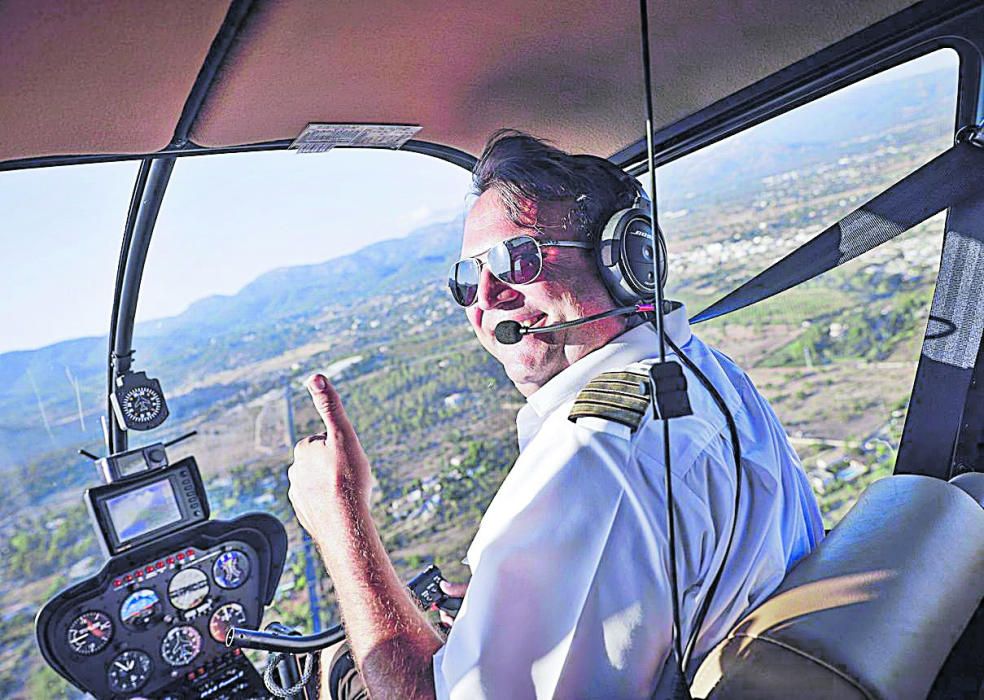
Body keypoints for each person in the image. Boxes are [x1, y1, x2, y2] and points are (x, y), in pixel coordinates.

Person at [287, 130, 825, 699]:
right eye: (468, 278)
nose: (486, 297)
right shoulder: (707, 373)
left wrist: (339, 518)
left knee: (338, 674)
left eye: (516, 259)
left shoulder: (595, 455)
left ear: (628, 260)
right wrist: (524, 620)